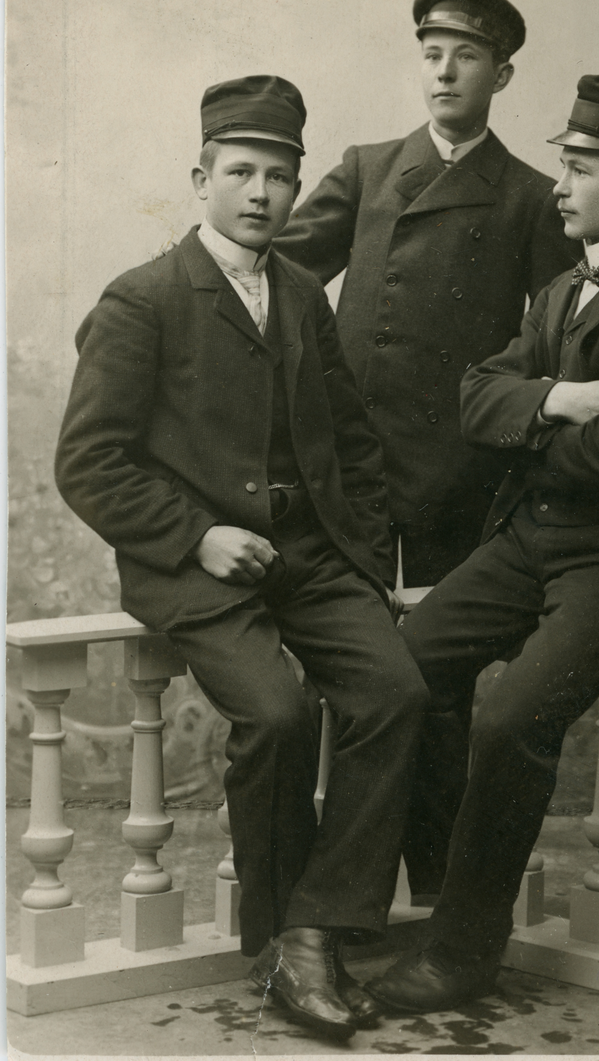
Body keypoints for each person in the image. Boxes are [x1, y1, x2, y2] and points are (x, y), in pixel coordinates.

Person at [54, 75, 428, 1040]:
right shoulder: (141, 299)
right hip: (195, 564)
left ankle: (312, 931)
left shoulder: (300, 293)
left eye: (279, 176)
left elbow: (351, 441)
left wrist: (364, 561)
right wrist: (196, 536)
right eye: (241, 172)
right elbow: (88, 463)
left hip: (309, 554)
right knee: (277, 713)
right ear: (201, 179)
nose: (261, 193)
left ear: (298, 186)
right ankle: (281, 944)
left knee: (394, 692)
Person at [367, 74, 599, 1014]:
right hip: (528, 538)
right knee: (398, 671)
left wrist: (524, 423)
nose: (558, 187)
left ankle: (462, 952)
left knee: (509, 719)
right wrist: (561, 400)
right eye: (562, 165)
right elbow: (472, 399)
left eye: (579, 169)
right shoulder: (560, 290)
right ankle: (385, 900)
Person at [274, 0, 574, 589]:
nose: (445, 72)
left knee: (442, 628)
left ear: (502, 76)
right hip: (354, 445)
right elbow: (281, 269)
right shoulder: (369, 169)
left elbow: (556, 336)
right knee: (343, 614)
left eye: (466, 57)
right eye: (432, 55)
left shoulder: (533, 197)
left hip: (461, 461)